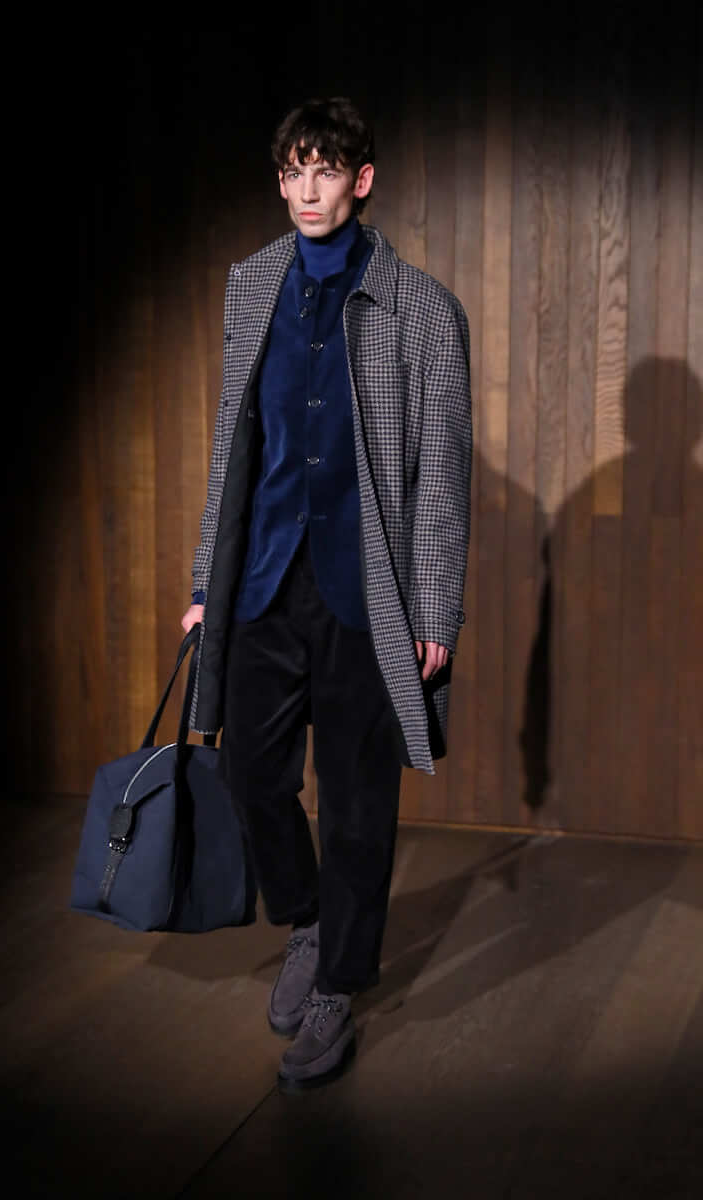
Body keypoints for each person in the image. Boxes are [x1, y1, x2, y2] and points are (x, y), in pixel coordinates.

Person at [181, 97, 472, 1093]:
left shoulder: (421, 307)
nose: (308, 191)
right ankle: (306, 920)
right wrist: (206, 584)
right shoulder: (251, 284)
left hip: (366, 595)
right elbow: (232, 446)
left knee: (356, 805)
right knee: (248, 777)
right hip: (262, 582)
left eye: (326, 170)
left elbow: (440, 476)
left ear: (362, 179)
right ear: (280, 182)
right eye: (292, 172)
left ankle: (339, 986)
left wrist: (434, 608)